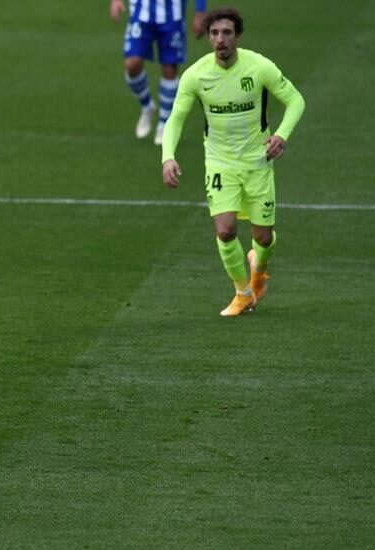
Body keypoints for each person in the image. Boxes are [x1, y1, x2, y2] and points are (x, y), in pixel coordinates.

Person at [161, 6, 305, 316]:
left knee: (262, 237)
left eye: (226, 33)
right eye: (214, 33)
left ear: (237, 36)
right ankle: (242, 293)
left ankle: (259, 270)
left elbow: (295, 100)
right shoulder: (196, 75)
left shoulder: (259, 67)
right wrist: (168, 157)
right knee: (225, 231)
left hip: (258, 162)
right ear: (209, 37)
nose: (220, 39)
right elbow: (176, 118)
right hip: (220, 164)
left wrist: (281, 135)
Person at [110, 0, 206, 145]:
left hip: (172, 14)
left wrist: (200, 12)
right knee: (132, 64)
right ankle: (147, 106)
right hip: (141, 12)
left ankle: (164, 123)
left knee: (169, 68)